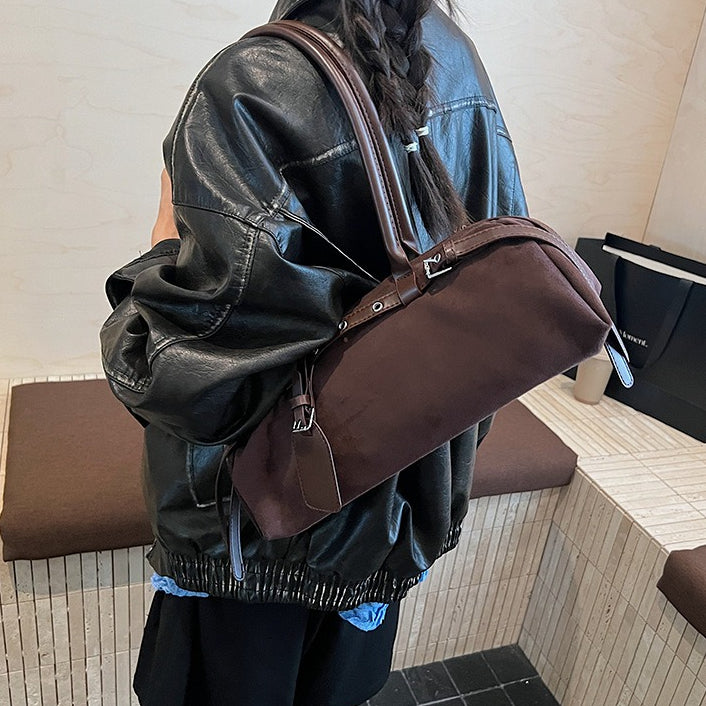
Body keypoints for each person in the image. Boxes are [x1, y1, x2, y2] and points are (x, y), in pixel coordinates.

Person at [100, 0, 527, 704]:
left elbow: (184, 379)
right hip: (392, 512)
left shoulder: (249, 83)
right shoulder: (459, 65)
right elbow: (495, 307)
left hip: (247, 544)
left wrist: (161, 242)